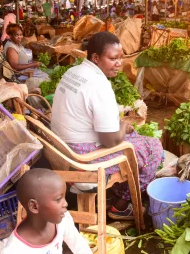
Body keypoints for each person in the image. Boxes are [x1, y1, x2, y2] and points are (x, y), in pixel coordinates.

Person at [51, 32, 163, 220]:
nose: (119, 63)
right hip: (83, 157)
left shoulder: (73, 71)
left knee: (134, 139)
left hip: (63, 149)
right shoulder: (99, 85)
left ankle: (116, 192)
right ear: (95, 58)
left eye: (120, 57)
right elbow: (110, 141)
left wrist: (121, 127)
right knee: (153, 147)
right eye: (112, 58)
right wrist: (124, 124)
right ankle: (121, 205)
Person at [2, 168, 92, 254]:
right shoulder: (15, 250)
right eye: (58, 199)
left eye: (64, 197)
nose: (66, 204)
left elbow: (81, 249)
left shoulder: (63, 220)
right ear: (34, 206)